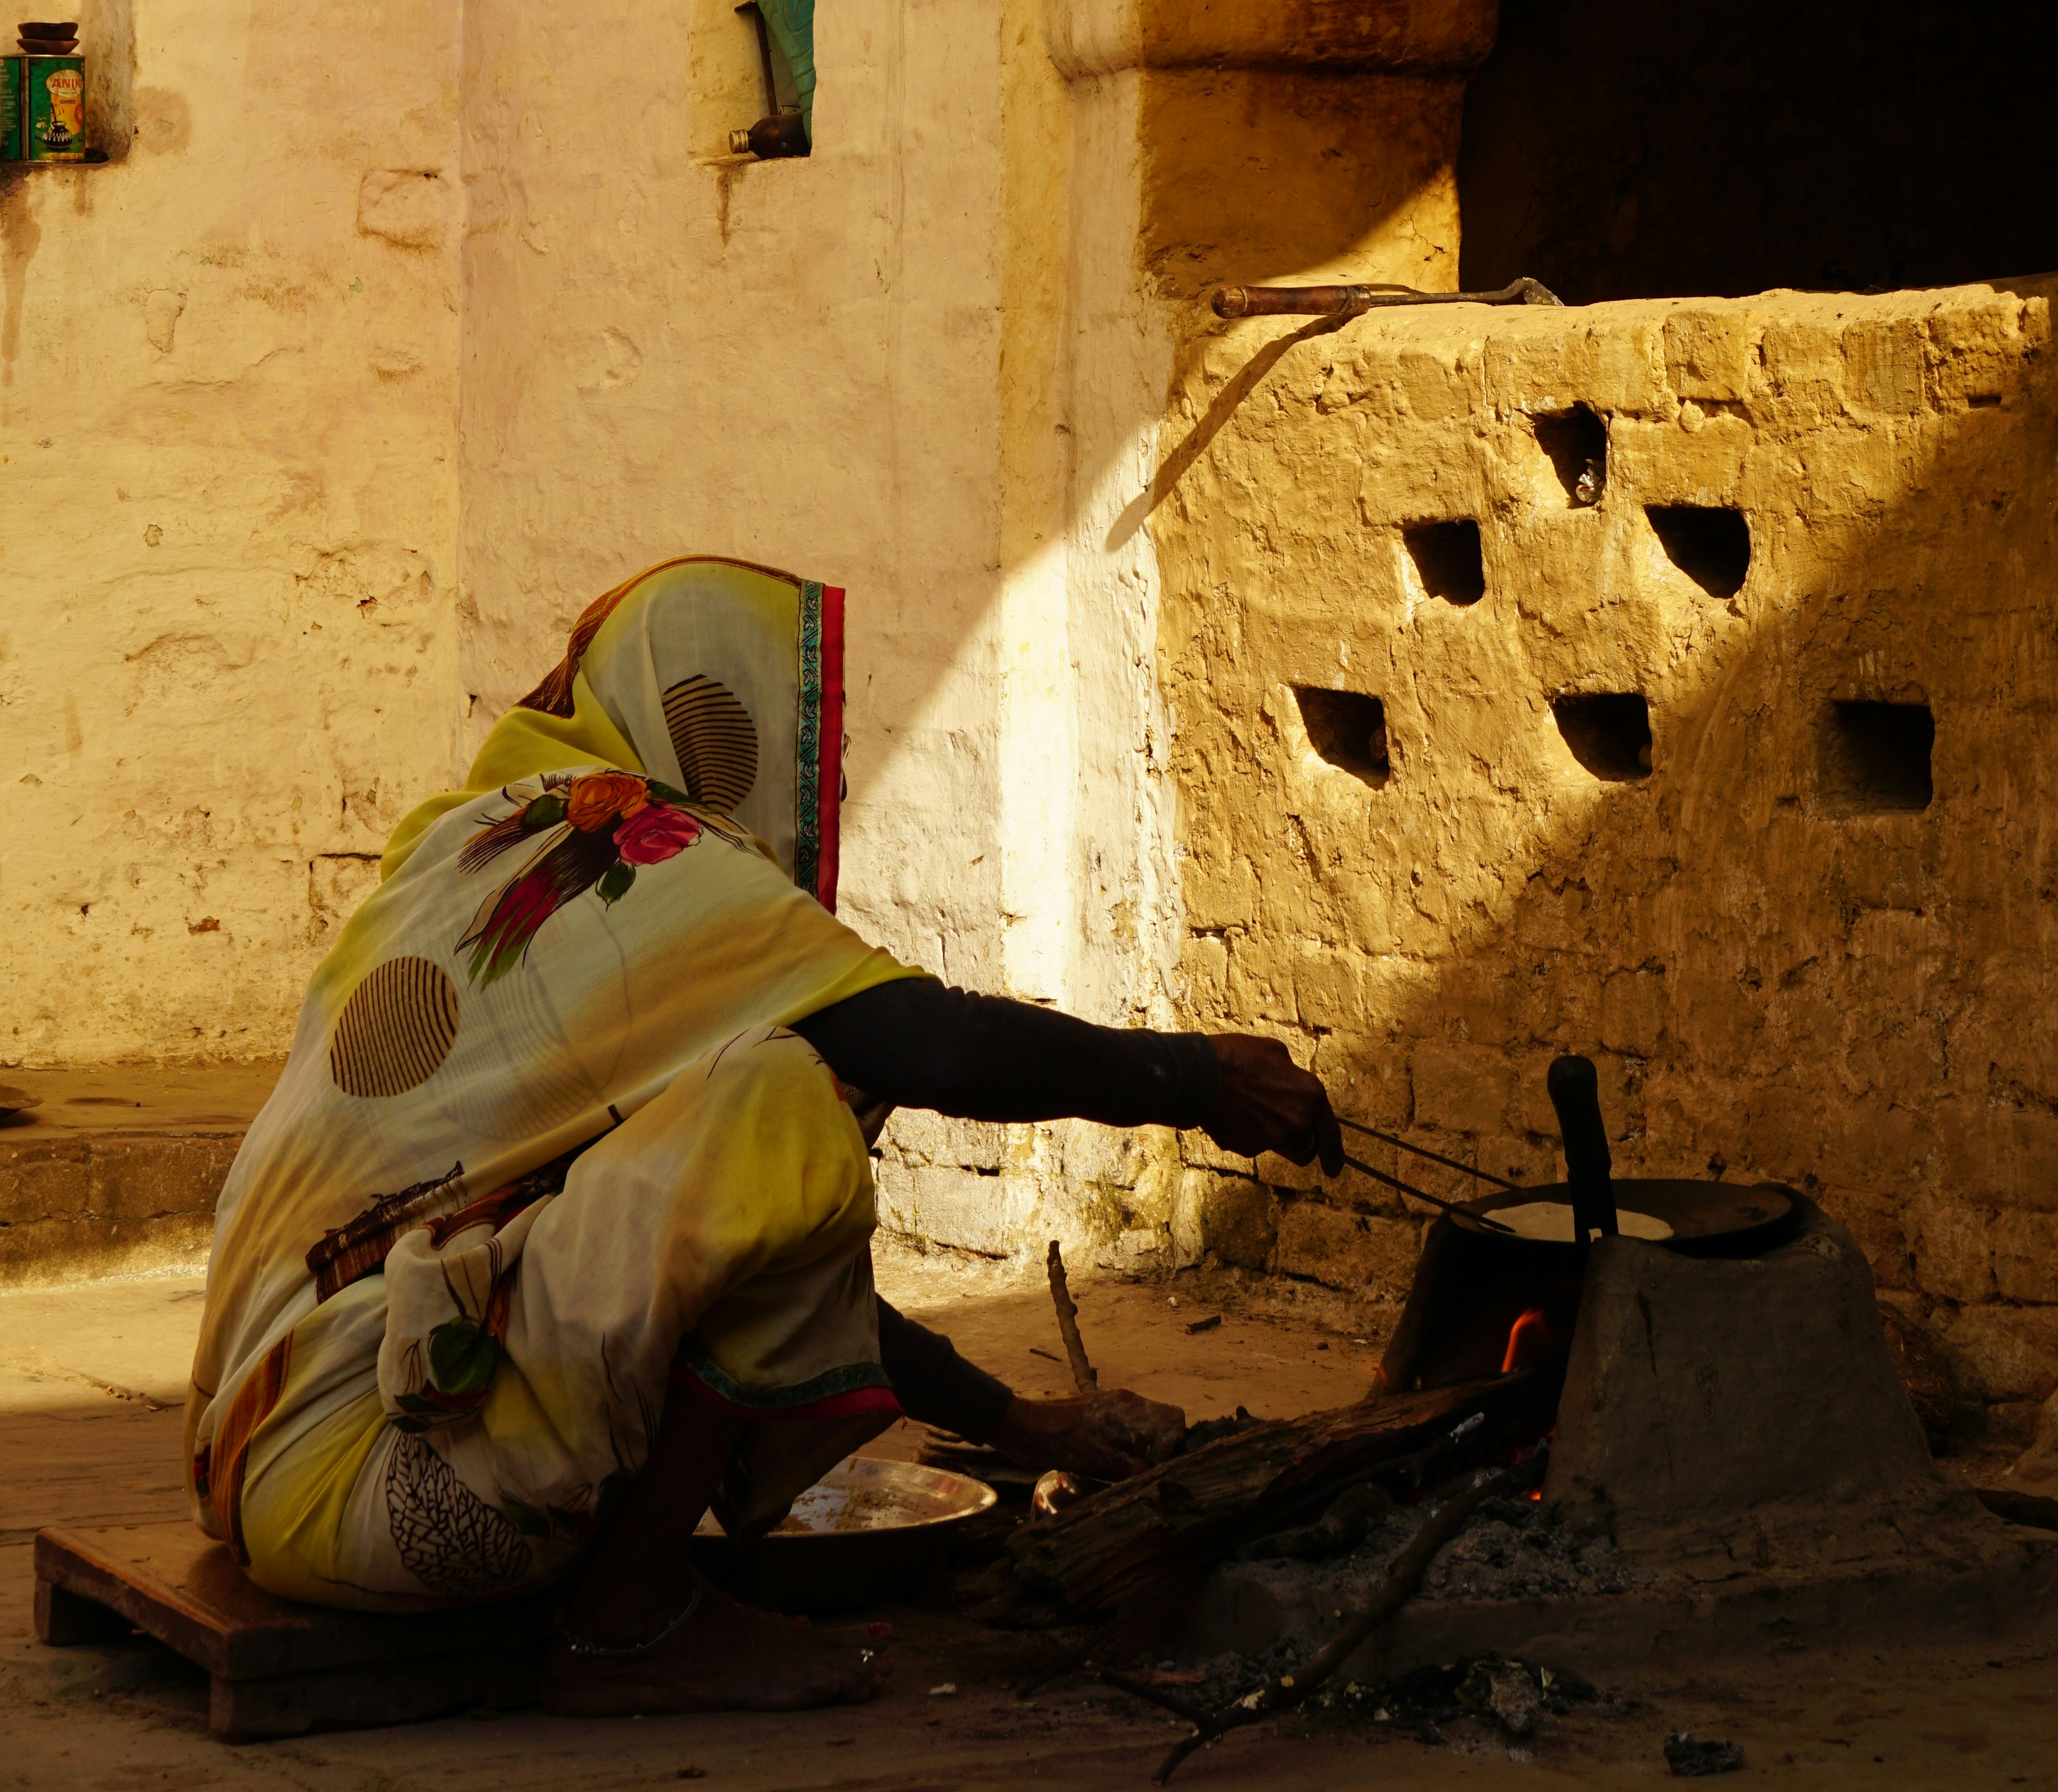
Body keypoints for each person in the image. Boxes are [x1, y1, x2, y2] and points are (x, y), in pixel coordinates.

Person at [185, 557, 1341, 1718]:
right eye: (803, 749)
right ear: (715, 721)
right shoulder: (632, 853)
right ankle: (630, 1625)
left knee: (766, 1140)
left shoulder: (478, 848)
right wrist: (1194, 1077)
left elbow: (725, 1265)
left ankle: (628, 1595)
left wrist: (1025, 1424)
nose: (816, 782)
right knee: (790, 1102)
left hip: (263, 1488)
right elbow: (931, 1051)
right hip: (407, 1519)